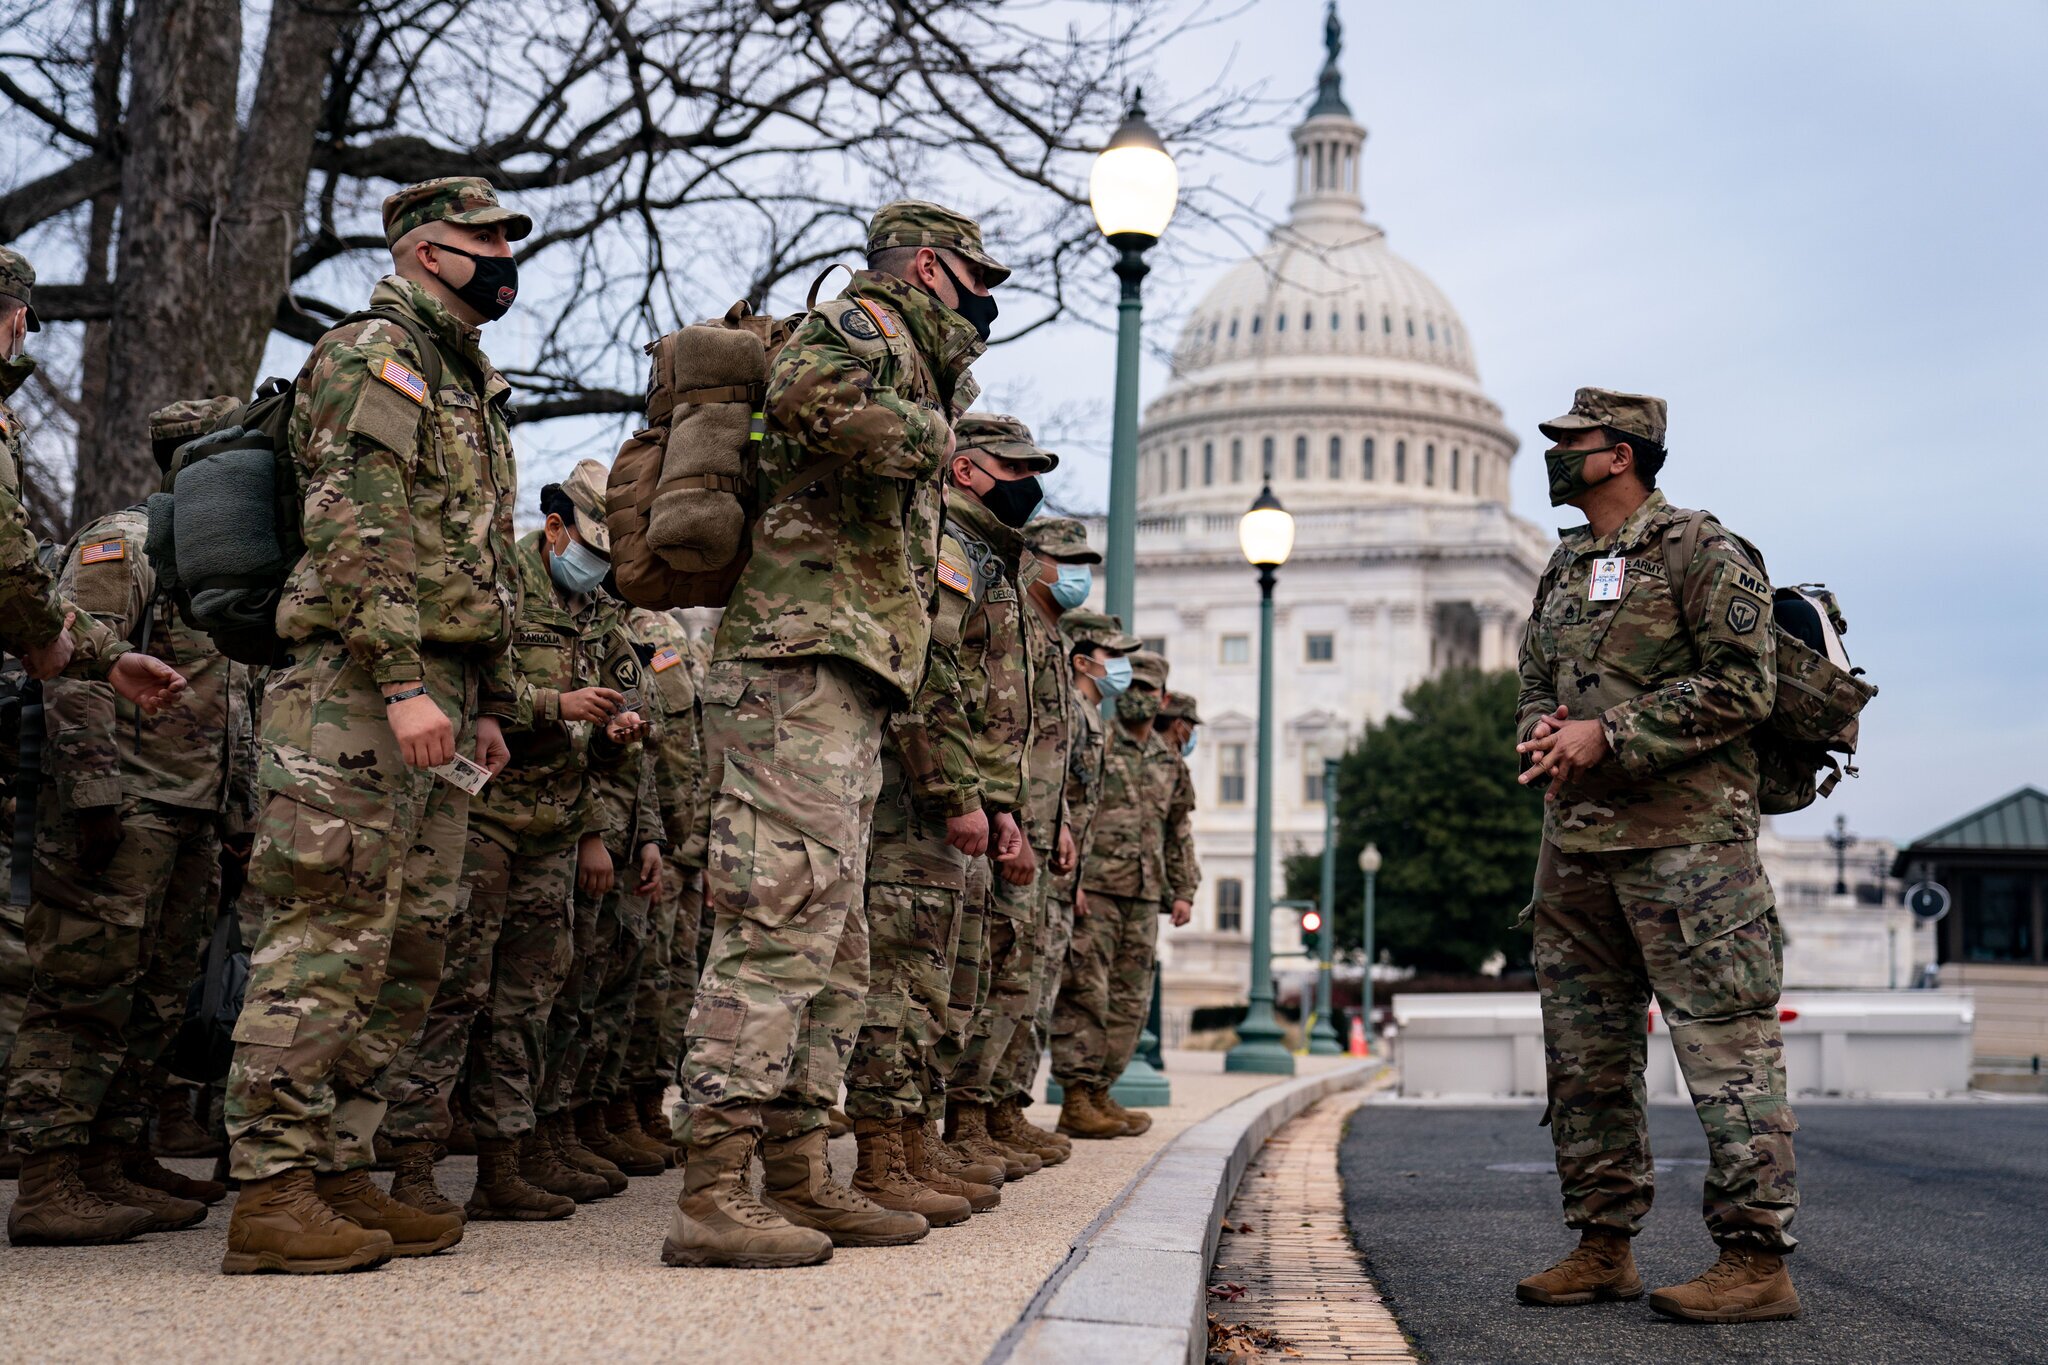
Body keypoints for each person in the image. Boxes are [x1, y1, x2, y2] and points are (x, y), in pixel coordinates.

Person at [665, 199, 1001, 1270]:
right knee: (773, 924)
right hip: (796, 663)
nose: (984, 299)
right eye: (974, 275)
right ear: (931, 268)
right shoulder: (857, 327)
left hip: (851, 671)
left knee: (833, 944)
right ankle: (712, 1190)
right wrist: (933, 435)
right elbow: (813, 406)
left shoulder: (912, 352)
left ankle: (799, 1175)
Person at [218, 176, 527, 1275]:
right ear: (424, 250)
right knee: (325, 939)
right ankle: (271, 1189)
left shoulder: (461, 376)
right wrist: (400, 683)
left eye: (504, 238)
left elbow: (465, 559)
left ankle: (339, 1167)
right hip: (356, 690)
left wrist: (474, 700)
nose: (502, 255)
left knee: (404, 949)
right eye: (483, 238)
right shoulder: (373, 355)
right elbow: (359, 531)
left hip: (434, 689)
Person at [1512, 387, 1797, 1323]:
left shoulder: (1701, 550)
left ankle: (1755, 1260)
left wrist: (1611, 733)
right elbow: (1534, 677)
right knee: (1586, 1057)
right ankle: (1603, 1245)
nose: (1554, 453)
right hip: (1579, 849)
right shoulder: (1565, 565)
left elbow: (1744, 687)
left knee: (1728, 1052)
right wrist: (1545, 729)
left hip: (1690, 854)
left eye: (1572, 441)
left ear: (1622, 454)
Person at [3, 408, 256, 1245]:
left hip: (189, 812)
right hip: (126, 804)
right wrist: (93, 791)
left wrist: (235, 813)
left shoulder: (212, 558)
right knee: (83, 992)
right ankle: (47, 1175)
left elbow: (232, 706)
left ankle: (113, 1157)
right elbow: (73, 667)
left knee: (154, 998)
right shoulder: (126, 540)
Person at [843, 412, 1045, 1224]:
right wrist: (958, 794)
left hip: (957, 805)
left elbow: (991, 704)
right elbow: (927, 682)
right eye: (1011, 467)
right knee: (901, 976)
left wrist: (997, 804)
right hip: (915, 802)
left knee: (943, 982)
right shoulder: (947, 551)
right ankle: (880, 1154)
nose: (1025, 485)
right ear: (964, 469)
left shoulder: (988, 562)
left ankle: (914, 1138)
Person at [960, 514, 1102, 1167]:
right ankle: (968, 1116)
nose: (1080, 575)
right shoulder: (1010, 617)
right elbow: (998, 729)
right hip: (1007, 827)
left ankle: (1001, 1106)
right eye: (1067, 560)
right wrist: (1004, 811)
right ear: (1033, 560)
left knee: (1028, 979)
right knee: (998, 973)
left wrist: (1063, 823)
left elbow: (1051, 744)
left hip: (1041, 830)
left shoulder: (1046, 635)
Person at [1045, 612, 1145, 1140]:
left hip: (1073, 871)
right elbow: (1056, 787)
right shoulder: (1070, 710)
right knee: (1078, 989)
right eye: (1116, 658)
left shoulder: (1092, 715)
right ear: (1083, 661)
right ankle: (1075, 1098)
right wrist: (1077, 876)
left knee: (1090, 991)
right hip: (1060, 870)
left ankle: (1091, 1096)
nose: (1124, 669)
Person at [621, 605, 706, 1159]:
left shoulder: (664, 626)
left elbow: (690, 741)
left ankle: (647, 1101)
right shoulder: (644, 628)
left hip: (683, 836)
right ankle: (622, 1106)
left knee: (674, 977)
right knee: (642, 976)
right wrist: (675, 832)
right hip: (655, 834)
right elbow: (665, 747)